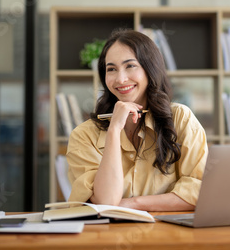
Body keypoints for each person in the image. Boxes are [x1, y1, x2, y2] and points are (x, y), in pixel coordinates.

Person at [66, 29, 208, 211]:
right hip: (108, 237)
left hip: (169, 234)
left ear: (150, 69)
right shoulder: (83, 135)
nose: (121, 79)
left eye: (130, 66)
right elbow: (106, 201)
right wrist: (114, 131)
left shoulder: (181, 118)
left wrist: (134, 203)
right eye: (111, 69)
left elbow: (200, 191)